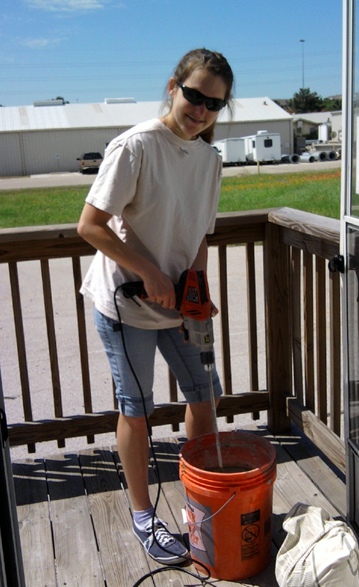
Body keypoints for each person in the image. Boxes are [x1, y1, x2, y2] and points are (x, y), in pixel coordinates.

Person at [77, 48, 234, 565]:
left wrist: (197, 288)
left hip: (178, 302)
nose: (201, 110)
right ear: (174, 87)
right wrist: (149, 271)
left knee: (204, 396)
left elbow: (200, 237)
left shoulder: (210, 160)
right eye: (194, 95)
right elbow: (91, 226)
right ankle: (144, 517)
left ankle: (199, 499)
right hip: (126, 303)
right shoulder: (137, 146)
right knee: (137, 410)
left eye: (214, 103)